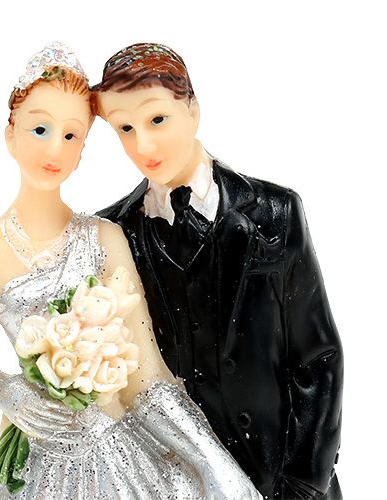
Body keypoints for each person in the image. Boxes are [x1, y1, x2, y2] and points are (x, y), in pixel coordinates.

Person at [0, 42, 262, 499]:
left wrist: (211, 461)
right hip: (36, 465)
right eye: (39, 129)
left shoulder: (105, 239)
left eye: (71, 136)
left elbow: (147, 378)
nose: (54, 148)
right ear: (10, 134)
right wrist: (7, 391)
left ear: (83, 151)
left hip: (115, 455)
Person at [94, 42, 343, 500]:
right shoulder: (112, 234)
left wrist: (302, 483)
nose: (143, 145)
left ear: (193, 109)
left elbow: (318, 358)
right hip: (174, 482)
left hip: (278, 476)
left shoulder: (274, 213)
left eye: (157, 119)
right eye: (124, 128)